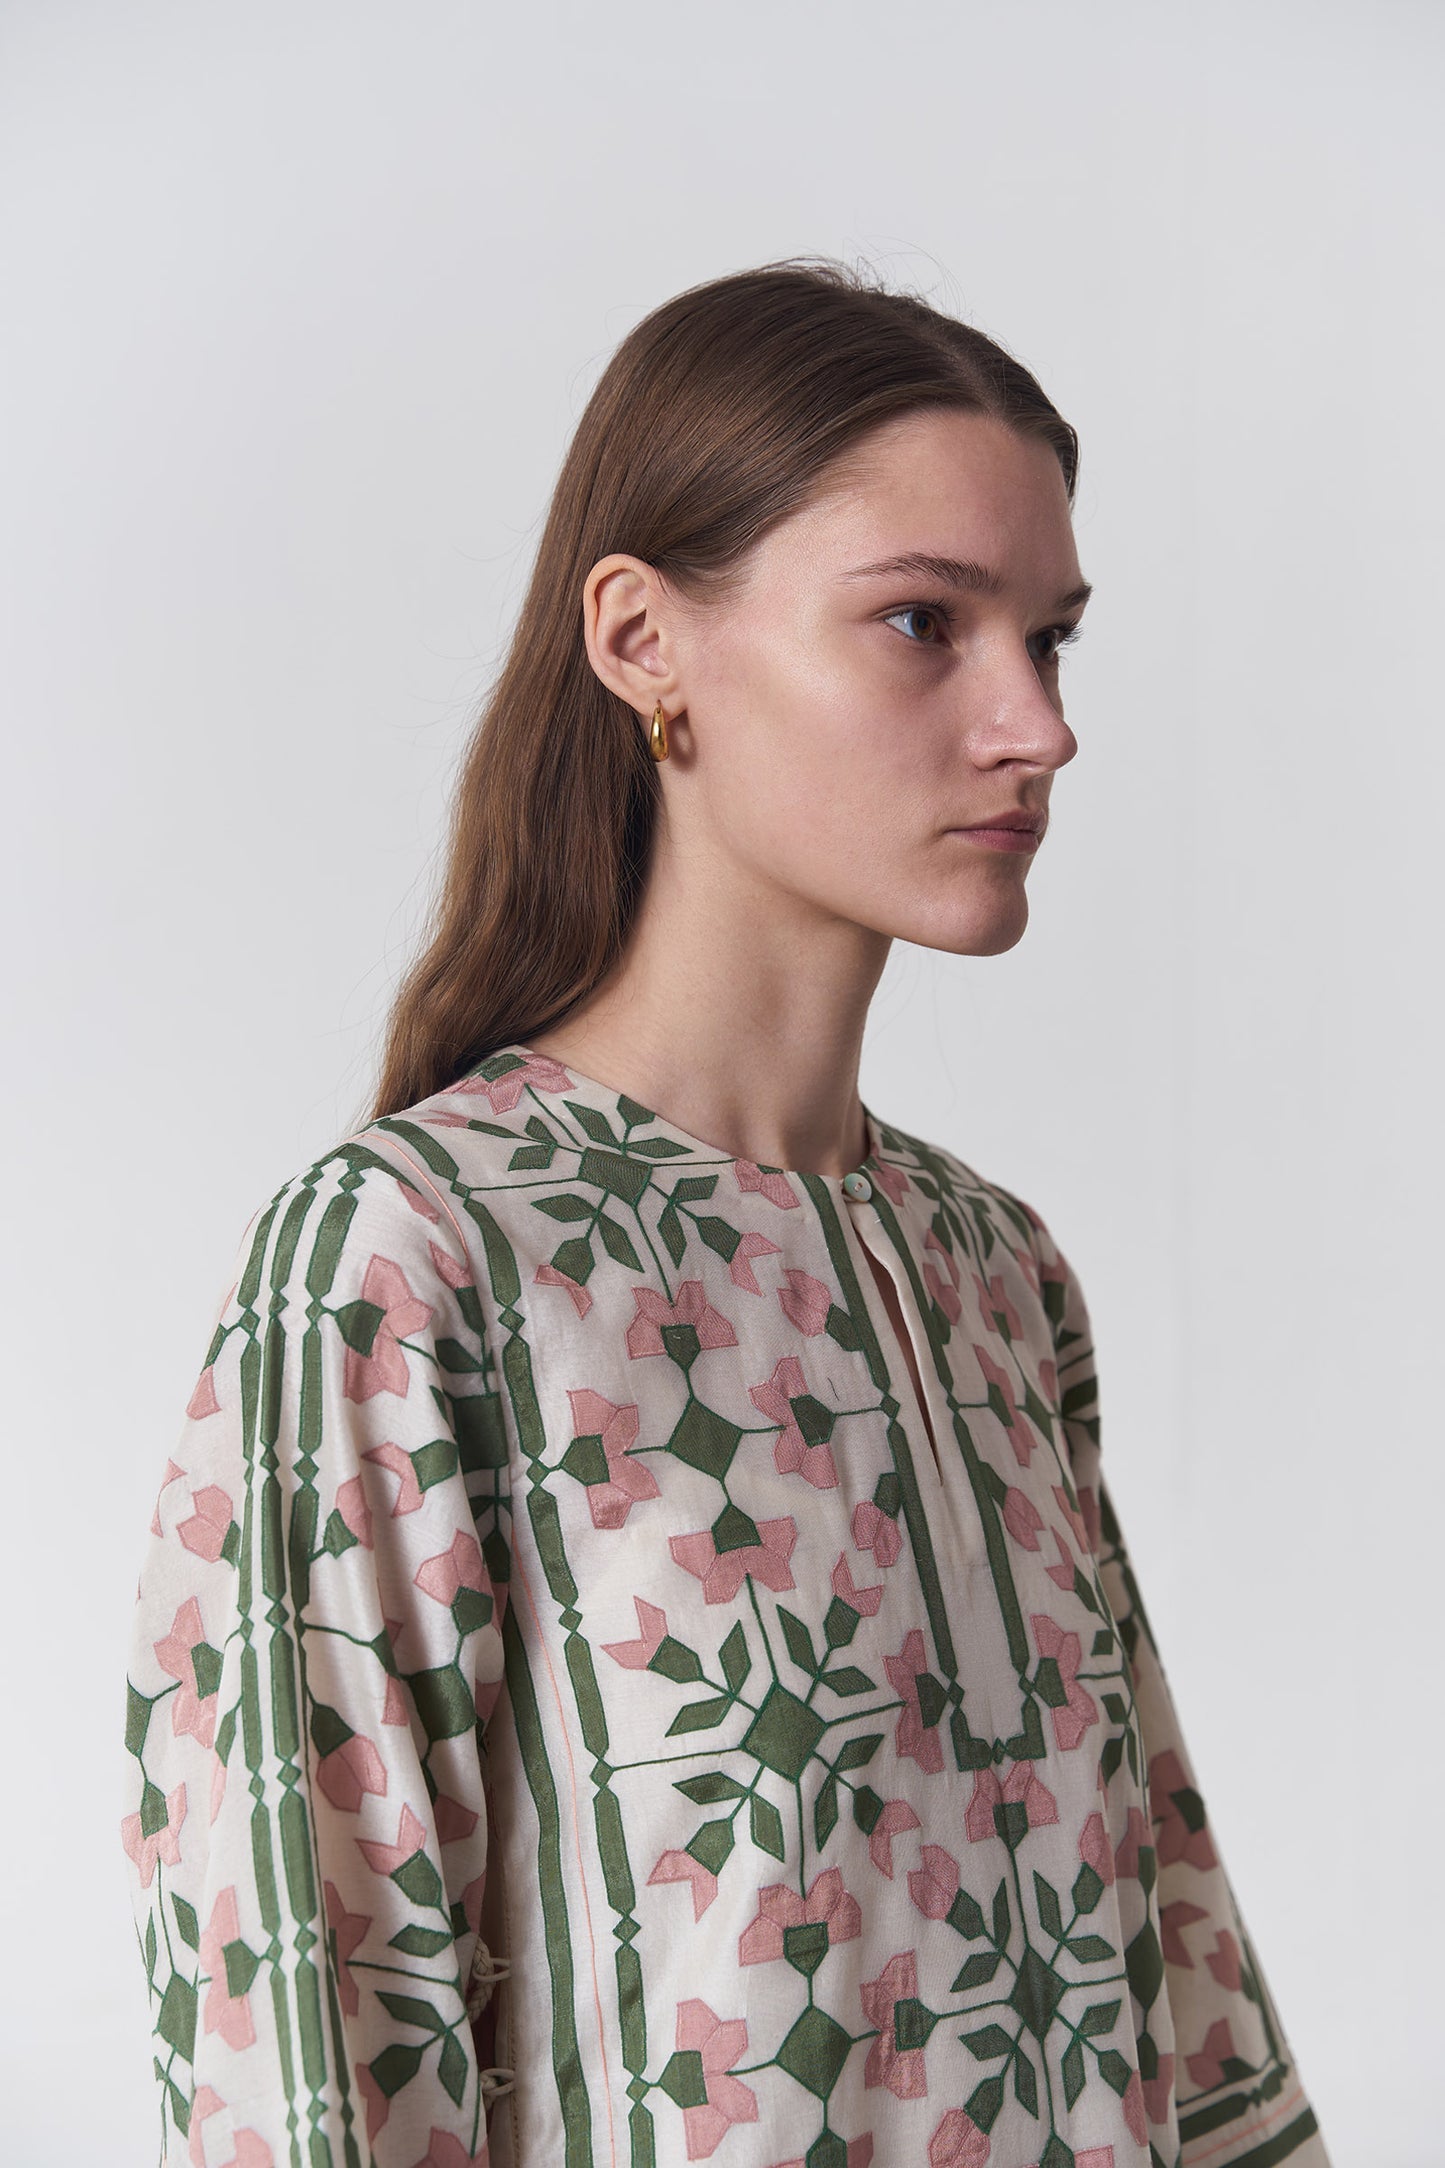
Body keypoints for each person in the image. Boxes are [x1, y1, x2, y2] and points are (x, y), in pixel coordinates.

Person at [122, 257, 1328, 2168]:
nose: (1035, 726)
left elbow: (1163, 1927)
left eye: (1050, 641)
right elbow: (299, 2045)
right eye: (923, 622)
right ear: (641, 641)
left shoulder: (994, 1272)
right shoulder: (412, 1262)